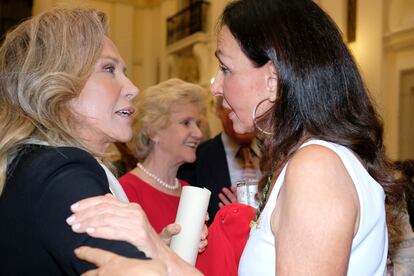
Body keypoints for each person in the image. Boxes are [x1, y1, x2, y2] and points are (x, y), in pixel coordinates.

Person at [66, 0, 403, 275]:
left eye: (225, 69)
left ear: (272, 78)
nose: (214, 86)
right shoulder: (314, 160)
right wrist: (159, 251)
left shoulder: (316, 167)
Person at [0, 7, 166, 275]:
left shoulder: (30, 163)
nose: (133, 88)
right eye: (109, 69)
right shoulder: (61, 171)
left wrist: (155, 245)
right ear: (57, 82)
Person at [119, 78, 205, 233]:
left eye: (198, 124)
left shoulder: (189, 191)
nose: (199, 134)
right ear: (154, 131)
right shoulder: (126, 191)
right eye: (186, 123)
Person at [178, 96, 261, 218]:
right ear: (219, 111)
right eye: (233, 108)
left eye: (250, 108)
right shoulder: (195, 160)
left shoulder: (280, 155)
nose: (243, 116)